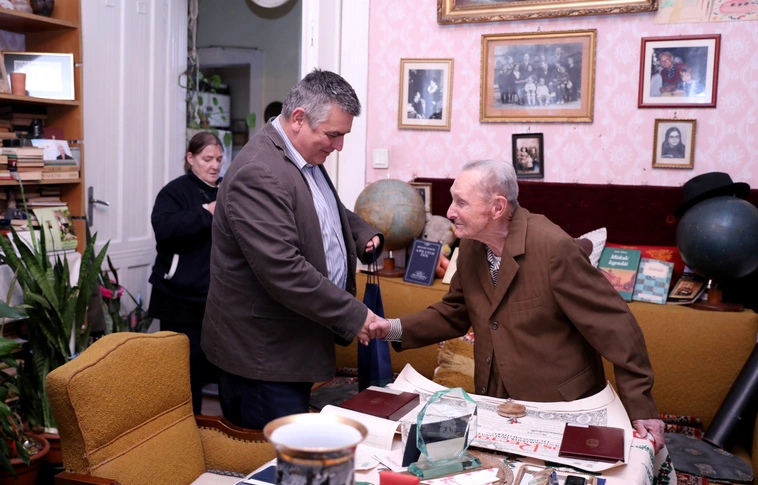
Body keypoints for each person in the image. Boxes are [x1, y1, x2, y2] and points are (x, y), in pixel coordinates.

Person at [373, 159, 665, 453]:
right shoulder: (472, 245)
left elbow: (616, 327)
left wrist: (641, 406)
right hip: (495, 401)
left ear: (497, 207)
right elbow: (454, 312)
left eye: (461, 202)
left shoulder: (555, 249)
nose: (449, 212)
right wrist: (390, 328)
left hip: (562, 407)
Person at [201, 69, 385, 429]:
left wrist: (360, 232)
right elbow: (284, 269)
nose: (339, 146)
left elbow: (319, 206)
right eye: (333, 135)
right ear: (299, 118)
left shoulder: (301, 155)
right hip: (263, 359)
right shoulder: (258, 172)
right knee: (274, 458)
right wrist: (355, 315)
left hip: (292, 347)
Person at [148, 131, 223, 415]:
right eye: (207, 159)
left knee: (218, 367)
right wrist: (207, 211)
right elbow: (165, 229)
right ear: (191, 158)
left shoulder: (227, 190)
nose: (214, 165)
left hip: (216, 298)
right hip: (178, 298)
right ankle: (184, 427)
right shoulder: (174, 191)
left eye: (219, 159)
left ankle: (222, 430)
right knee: (183, 372)